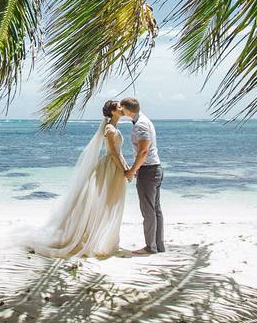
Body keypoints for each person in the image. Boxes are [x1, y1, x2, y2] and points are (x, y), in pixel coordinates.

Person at [25, 100, 129, 258]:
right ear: (113, 112)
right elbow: (113, 153)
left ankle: (103, 238)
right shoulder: (109, 128)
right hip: (110, 167)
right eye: (119, 107)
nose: (122, 109)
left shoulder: (115, 127)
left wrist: (125, 167)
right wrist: (125, 169)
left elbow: (117, 152)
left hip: (115, 166)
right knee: (103, 203)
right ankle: (92, 239)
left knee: (110, 203)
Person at [120, 97, 165, 254]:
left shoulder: (141, 124)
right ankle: (158, 245)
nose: (121, 111)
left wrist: (132, 170)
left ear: (128, 110)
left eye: (122, 108)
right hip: (154, 169)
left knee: (148, 211)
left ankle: (150, 247)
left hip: (148, 171)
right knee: (155, 210)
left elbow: (144, 151)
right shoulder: (143, 121)